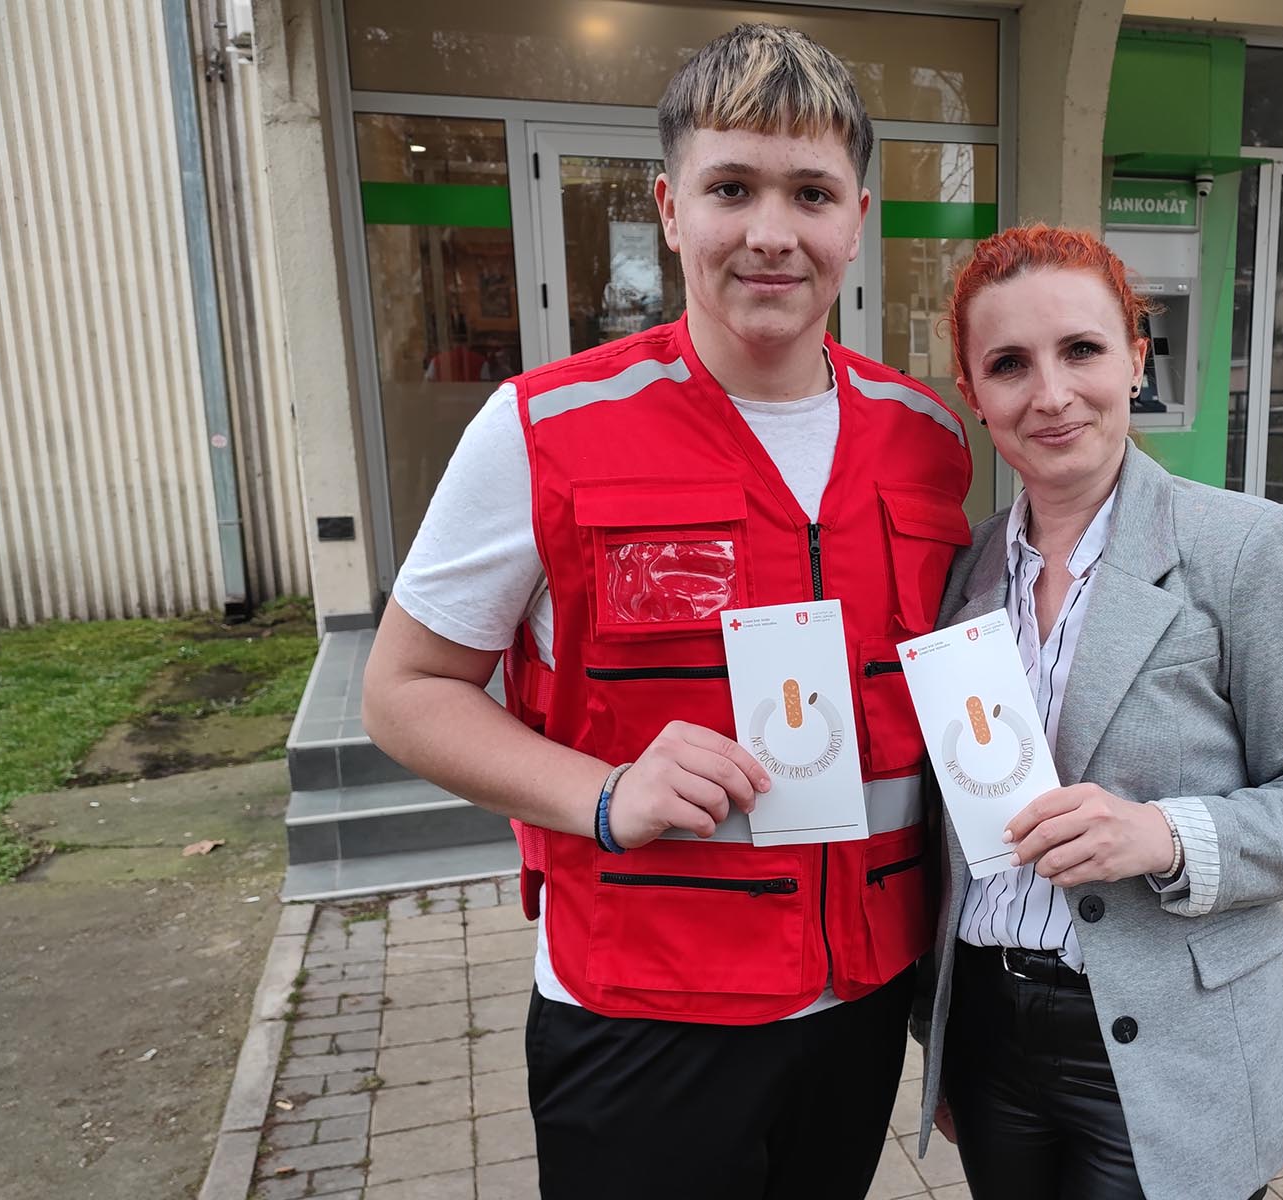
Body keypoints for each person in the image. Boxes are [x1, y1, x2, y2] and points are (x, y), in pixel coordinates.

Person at [361, 24, 973, 1200]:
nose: (772, 232)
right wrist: (602, 794)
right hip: (641, 1016)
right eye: (731, 188)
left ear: (858, 219)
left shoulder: (928, 437)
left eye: (811, 193)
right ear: (670, 209)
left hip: (861, 1004)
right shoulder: (544, 429)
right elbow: (403, 692)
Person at [914, 225, 1283, 1200]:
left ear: (1136, 359)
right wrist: (939, 1029)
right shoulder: (961, 572)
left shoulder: (1241, 548)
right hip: (993, 1040)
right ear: (973, 392)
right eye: (1010, 364)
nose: (1051, 394)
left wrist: (1164, 836)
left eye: (1081, 350)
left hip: (1174, 1044)